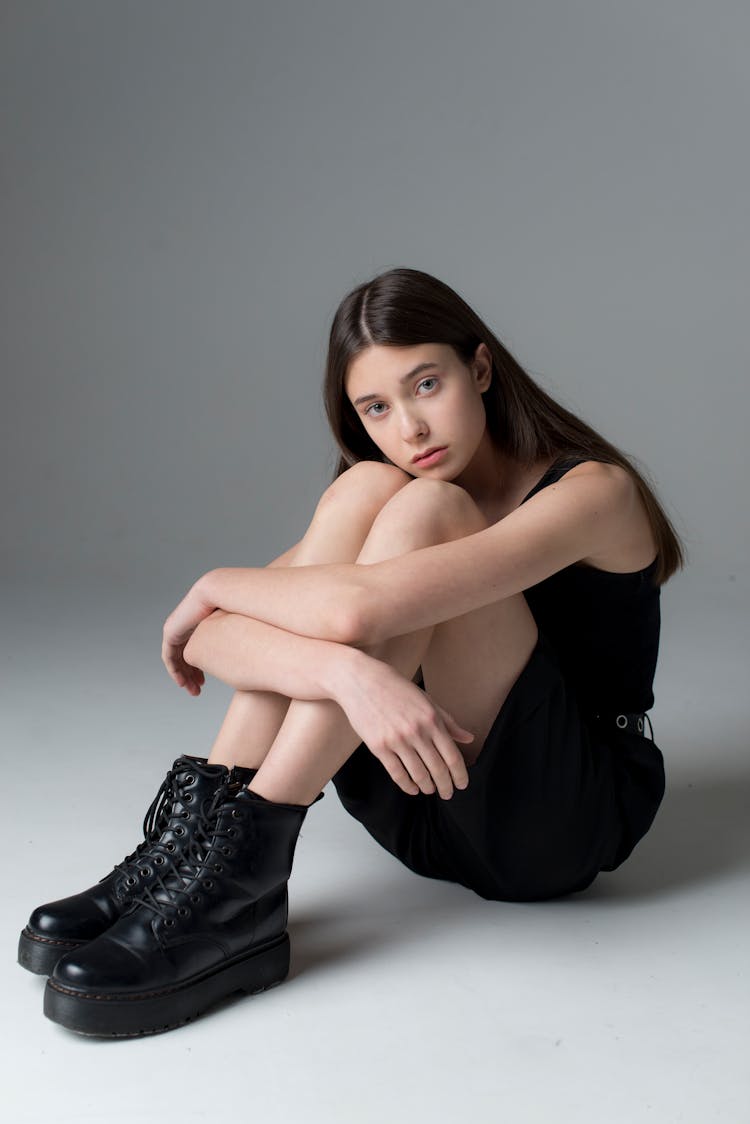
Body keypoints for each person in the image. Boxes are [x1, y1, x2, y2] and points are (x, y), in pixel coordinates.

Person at [18, 266, 685, 1037]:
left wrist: (214, 583)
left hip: (549, 817)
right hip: (413, 785)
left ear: (480, 367)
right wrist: (345, 672)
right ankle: (197, 846)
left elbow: (343, 608)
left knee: (430, 509)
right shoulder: (381, 481)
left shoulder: (595, 492)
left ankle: (245, 871)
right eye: (377, 407)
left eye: (426, 384)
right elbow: (212, 637)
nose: (411, 429)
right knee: (367, 489)